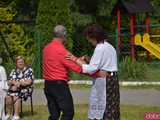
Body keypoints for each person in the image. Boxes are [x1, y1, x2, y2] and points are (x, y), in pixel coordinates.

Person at [67, 24, 120, 120]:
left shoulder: (99, 48)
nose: (89, 41)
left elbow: (91, 69)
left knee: (102, 108)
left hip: (105, 82)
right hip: (113, 80)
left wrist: (75, 59)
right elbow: (103, 62)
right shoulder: (109, 46)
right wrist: (89, 59)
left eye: (89, 39)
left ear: (94, 37)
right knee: (112, 108)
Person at [5, 56, 34, 120]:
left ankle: (16, 115)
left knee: (16, 95)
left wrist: (19, 84)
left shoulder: (29, 70)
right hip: (14, 89)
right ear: (16, 63)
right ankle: (8, 114)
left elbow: (29, 82)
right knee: (7, 96)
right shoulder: (13, 71)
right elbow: (8, 82)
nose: (20, 63)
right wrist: (14, 83)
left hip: (26, 89)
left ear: (24, 63)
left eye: (21, 62)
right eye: (18, 62)